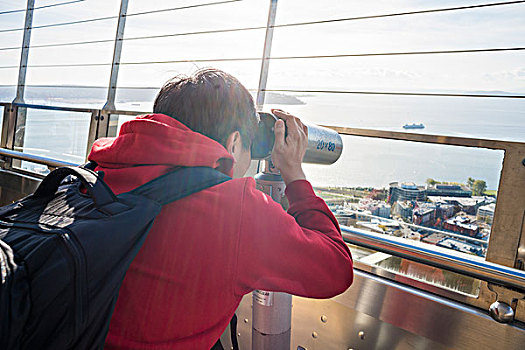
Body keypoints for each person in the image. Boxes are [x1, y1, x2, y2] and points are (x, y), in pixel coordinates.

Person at [88, 68, 353, 349]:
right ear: (234, 143)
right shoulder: (232, 209)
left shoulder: (95, 173)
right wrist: (294, 173)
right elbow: (335, 268)